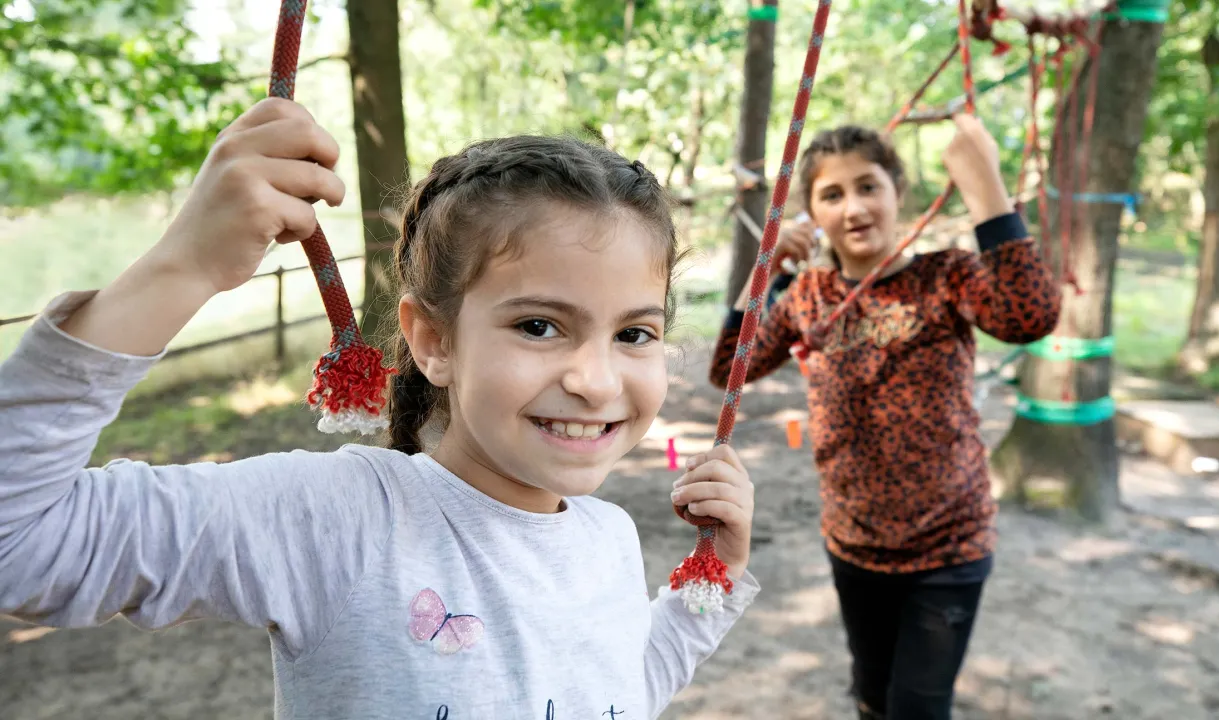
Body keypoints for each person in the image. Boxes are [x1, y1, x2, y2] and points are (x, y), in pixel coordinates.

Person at [0, 97, 760, 719]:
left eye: (634, 333)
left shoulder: (608, 537)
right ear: (433, 340)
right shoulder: (343, 521)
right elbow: (21, 541)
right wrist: (185, 264)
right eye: (538, 325)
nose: (596, 381)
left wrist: (713, 581)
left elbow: (612, 694)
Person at [710, 114, 1061, 719]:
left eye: (868, 186)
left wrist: (987, 191)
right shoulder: (809, 297)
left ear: (899, 191)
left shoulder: (945, 276)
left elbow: (1029, 317)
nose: (853, 207)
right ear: (814, 215)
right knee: (872, 697)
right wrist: (765, 271)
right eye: (832, 194)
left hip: (948, 548)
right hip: (853, 543)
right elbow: (726, 370)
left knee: (918, 708)